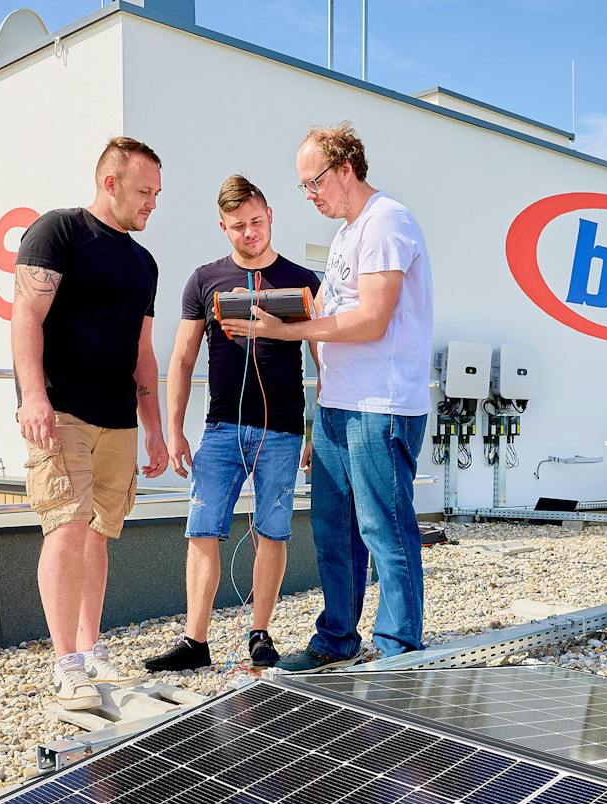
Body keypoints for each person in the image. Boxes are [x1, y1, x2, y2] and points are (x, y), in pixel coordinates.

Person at [225, 122, 433, 671]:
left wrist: (283, 332)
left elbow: (370, 320)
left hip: (380, 406)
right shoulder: (347, 233)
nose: (310, 195)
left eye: (314, 182)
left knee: (384, 528)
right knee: (333, 530)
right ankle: (337, 638)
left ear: (346, 168)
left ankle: (398, 649)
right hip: (341, 403)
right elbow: (335, 313)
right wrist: (289, 312)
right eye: (304, 187)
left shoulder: (386, 222)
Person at [12, 136, 169, 710]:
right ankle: (66, 665)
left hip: (117, 420)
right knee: (67, 526)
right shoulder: (59, 231)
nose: (152, 202)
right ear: (110, 183)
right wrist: (32, 395)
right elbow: (27, 315)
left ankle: (91, 648)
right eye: (144, 191)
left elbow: (143, 352)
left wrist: (153, 426)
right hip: (62, 411)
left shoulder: (143, 262)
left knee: (100, 531)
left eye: (157, 193)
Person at [144, 175, 320, 672]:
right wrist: (174, 429)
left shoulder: (304, 279)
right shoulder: (205, 280)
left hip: (283, 431)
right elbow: (180, 359)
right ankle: (194, 641)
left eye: (257, 222)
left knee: (273, 532)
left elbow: (323, 359)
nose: (250, 232)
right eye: (238, 225)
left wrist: (313, 428)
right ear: (222, 227)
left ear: (270, 217)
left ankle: (260, 634)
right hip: (221, 430)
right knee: (202, 529)